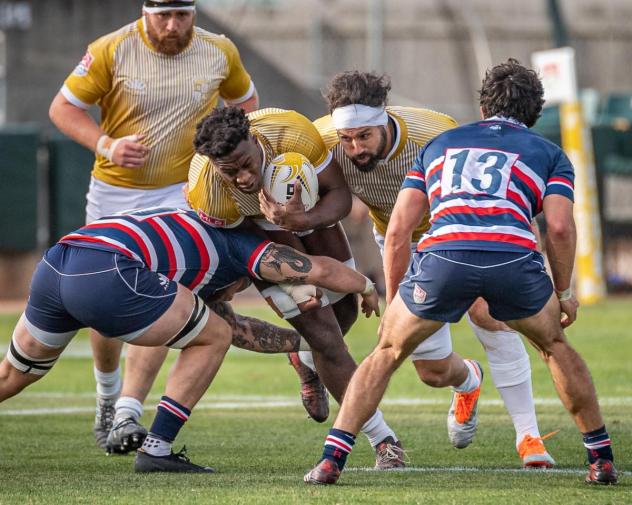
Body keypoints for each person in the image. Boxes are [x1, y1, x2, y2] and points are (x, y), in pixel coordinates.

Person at [304, 59, 617, 486]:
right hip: (507, 253)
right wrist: (562, 291)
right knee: (553, 346)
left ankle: (331, 461)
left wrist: (397, 302)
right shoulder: (550, 153)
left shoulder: (439, 139)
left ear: (483, 107)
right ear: (534, 113)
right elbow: (559, 227)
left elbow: (399, 229)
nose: (354, 146)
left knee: (387, 352)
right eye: (348, 138)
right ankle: (600, 458)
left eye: (363, 136)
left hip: (441, 251)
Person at [106, 107, 407, 469]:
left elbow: (339, 195)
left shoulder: (291, 132)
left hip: (310, 212)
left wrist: (303, 219)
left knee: (342, 315)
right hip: (259, 234)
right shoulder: (208, 190)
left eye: (246, 164)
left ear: (254, 139)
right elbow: (241, 248)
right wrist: (278, 276)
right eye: (229, 171)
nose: (244, 177)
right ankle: (383, 439)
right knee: (326, 337)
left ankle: (305, 359)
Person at [0, 207, 380, 473]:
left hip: (59, 261)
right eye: (240, 287)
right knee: (213, 335)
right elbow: (317, 269)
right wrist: (365, 285)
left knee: (13, 376)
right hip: (111, 270)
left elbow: (242, 330)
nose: (231, 295)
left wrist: (306, 346)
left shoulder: (193, 225)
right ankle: (157, 448)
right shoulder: (243, 247)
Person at [48, 0, 260, 449]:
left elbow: (245, 105)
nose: (171, 25)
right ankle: (107, 396)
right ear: (145, 13)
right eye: (162, 15)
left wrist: (221, 156)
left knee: (159, 295)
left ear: (195, 14)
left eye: (181, 15)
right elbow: (62, 109)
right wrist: (105, 144)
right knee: (102, 312)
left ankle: (127, 411)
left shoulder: (219, 49)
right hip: (115, 193)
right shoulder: (110, 49)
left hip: (180, 193)